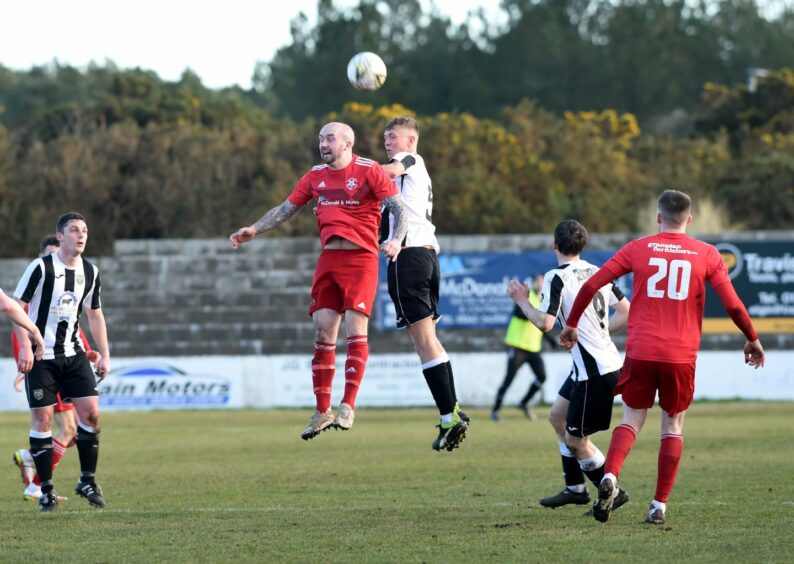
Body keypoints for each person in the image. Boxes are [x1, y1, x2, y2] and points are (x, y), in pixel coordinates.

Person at [560, 190, 765, 525]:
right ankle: (658, 506)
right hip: (680, 355)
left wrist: (571, 325)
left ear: (658, 217)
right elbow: (733, 305)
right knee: (672, 424)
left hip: (641, 351)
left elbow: (591, 285)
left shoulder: (638, 248)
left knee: (631, 420)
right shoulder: (707, 254)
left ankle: (610, 476)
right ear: (689, 219)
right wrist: (752, 338)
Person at [231, 122, 407, 440]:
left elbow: (398, 208)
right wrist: (254, 229)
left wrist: (396, 239)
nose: (323, 143)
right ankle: (322, 410)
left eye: (329, 138)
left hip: (361, 259)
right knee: (323, 330)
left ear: (348, 142)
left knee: (356, 328)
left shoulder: (369, 170)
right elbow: (286, 209)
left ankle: (348, 406)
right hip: (329, 259)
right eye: (320, 138)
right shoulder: (315, 177)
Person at [507, 219, 631, 512]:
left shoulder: (556, 276)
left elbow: (545, 323)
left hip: (594, 372)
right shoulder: (599, 272)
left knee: (576, 441)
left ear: (555, 245)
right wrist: (598, 333)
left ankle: (615, 491)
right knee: (556, 417)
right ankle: (575, 488)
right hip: (599, 364)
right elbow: (626, 311)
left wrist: (523, 301)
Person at [380, 116, 468, 452]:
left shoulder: (410, 160)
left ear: (411, 140)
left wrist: (352, 167)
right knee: (430, 341)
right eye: (386, 137)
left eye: (393, 136)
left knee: (423, 343)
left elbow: (387, 172)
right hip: (427, 257)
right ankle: (452, 408)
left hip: (410, 257)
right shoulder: (415, 170)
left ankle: (449, 416)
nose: (388, 142)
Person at [14, 212, 111, 512]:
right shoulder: (40, 268)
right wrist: (26, 349)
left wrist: (104, 353)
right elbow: (16, 307)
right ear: (60, 236)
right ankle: (46, 491)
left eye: (84, 230)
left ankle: (87, 480)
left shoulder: (91, 272)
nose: (81, 235)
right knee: (43, 420)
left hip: (74, 355)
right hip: (42, 358)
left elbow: (94, 314)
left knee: (91, 415)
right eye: (73, 230)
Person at [492, 274, 558, 422]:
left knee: (542, 377)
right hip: (518, 346)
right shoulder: (526, 299)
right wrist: (531, 308)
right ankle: (495, 410)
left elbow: (541, 325)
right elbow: (520, 314)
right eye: (538, 281)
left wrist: (551, 340)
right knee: (509, 379)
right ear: (535, 283)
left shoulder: (544, 301)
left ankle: (524, 402)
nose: (540, 283)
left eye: (542, 281)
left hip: (533, 348)